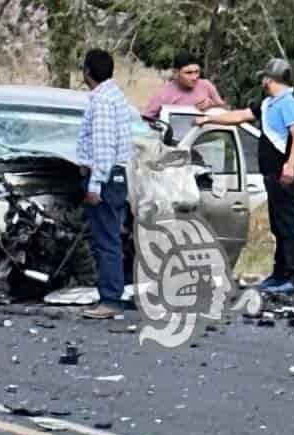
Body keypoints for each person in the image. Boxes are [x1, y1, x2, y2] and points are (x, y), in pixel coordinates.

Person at [196, 57, 294, 294]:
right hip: (270, 172)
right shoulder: (268, 104)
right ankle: (279, 273)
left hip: (284, 171)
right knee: (278, 224)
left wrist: (290, 164)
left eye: (265, 78)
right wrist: (209, 118)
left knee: (288, 224)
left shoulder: (291, 104)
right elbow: (240, 115)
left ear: (270, 79)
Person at [77, 49, 132, 319]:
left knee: (107, 239)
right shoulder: (115, 97)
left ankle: (110, 300)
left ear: (87, 72)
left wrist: (95, 185)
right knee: (110, 238)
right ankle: (110, 295)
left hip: (106, 178)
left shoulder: (102, 102)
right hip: (115, 176)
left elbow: (104, 147)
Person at [143, 50, 225, 120]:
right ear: (175, 73)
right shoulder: (163, 94)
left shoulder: (206, 85)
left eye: (196, 72)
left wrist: (211, 104)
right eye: (188, 73)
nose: (194, 77)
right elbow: (146, 120)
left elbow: (224, 110)